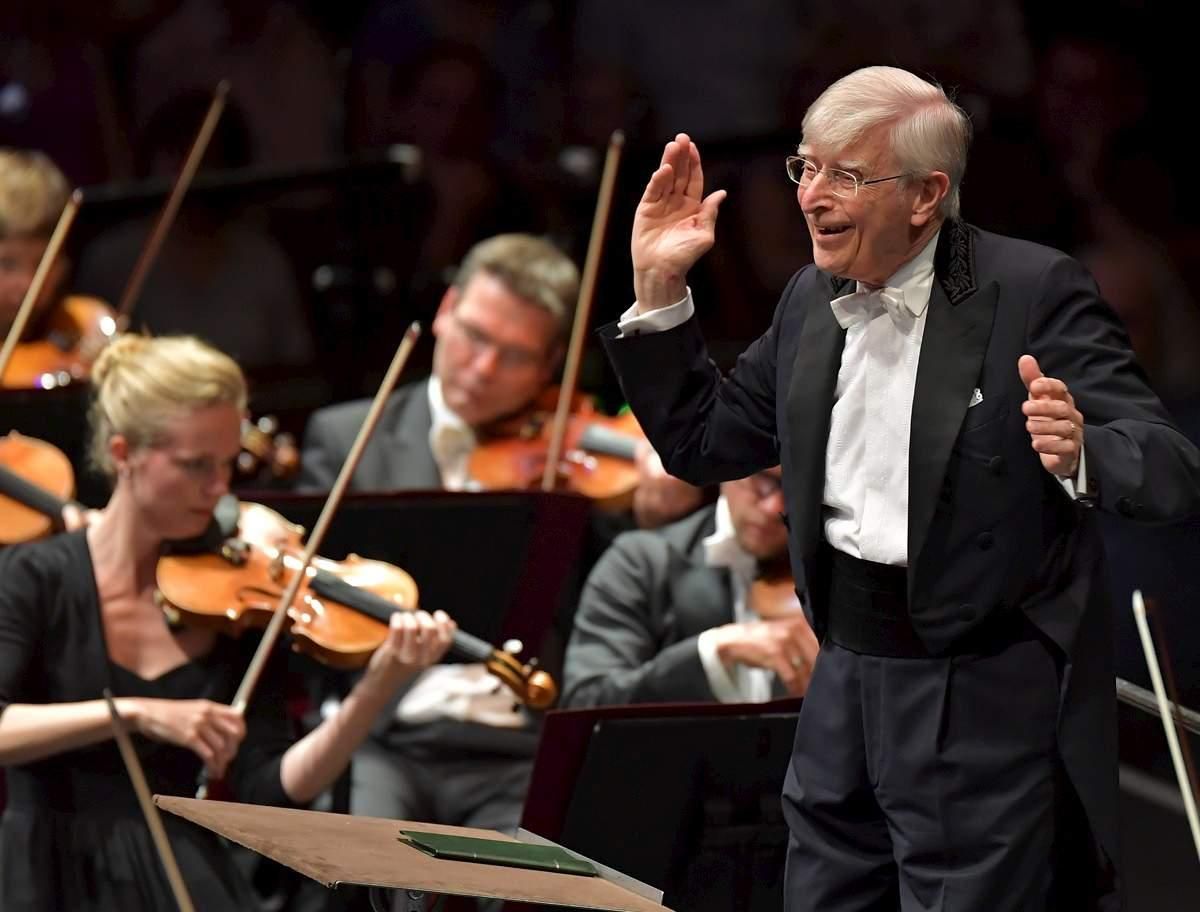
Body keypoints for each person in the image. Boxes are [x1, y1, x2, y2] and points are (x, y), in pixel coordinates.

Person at [599, 66, 1200, 910]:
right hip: (842, 675)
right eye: (806, 166)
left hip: (979, 695)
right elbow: (704, 444)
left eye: (846, 175)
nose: (811, 197)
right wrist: (660, 289)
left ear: (926, 195)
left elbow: (1169, 465)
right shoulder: (810, 297)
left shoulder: (1032, 291)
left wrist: (1082, 452)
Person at [0, 334, 456, 910]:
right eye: (195, 466)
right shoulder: (35, 576)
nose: (219, 489)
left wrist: (376, 688)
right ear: (123, 454)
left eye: (226, 464)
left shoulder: (233, 599)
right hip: (43, 874)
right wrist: (136, 713)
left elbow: (275, 788)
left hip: (179, 875)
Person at [563, 465, 819, 708]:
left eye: (798, 489)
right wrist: (713, 652)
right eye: (761, 479)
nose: (774, 507)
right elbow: (585, 701)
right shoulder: (640, 562)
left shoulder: (829, 575)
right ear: (731, 464)